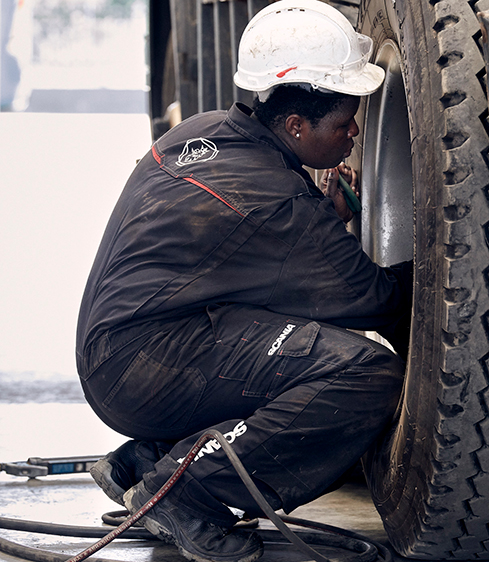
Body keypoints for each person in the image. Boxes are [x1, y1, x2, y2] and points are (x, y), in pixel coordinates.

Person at [75, 2, 410, 561]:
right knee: (365, 371)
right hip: (144, 368)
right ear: (296, 125)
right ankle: (184, 495)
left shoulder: (204, 131)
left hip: (118, 350)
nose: (354, 133)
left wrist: (320, 223)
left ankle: (150, 455)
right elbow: (378, 302)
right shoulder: (279, 204)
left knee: (294, 341)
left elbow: (236, 254)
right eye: (344, 122)